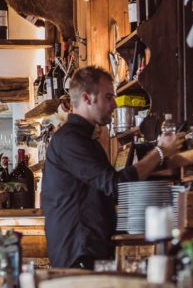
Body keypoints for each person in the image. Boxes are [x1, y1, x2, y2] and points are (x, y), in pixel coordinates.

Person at [41, 65, 184, 269]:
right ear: (87, 98)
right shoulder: (70, 140)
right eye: (108, 97)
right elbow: (116, 185)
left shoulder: (81, 139)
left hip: (85, 252)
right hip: (79, 257)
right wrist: (160, 152)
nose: (114, 104)